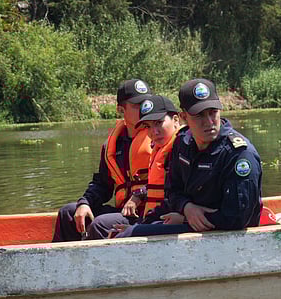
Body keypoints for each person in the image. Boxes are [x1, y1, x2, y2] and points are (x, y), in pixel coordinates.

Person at [116, 78, 263, 237]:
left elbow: (238, 218)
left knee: (129, 235)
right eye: (199, 115)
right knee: (124, 230)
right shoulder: (183, 143)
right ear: (184, 117)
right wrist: (186, 207)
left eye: (213, 112)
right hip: (193, 224)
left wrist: (185, 218)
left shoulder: (239, 154)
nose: (209, 122)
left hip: (224, 234)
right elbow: (172, 191)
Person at [52, 79, 153, 242]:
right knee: (68, 213)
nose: (144, 109)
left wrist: (140, 194)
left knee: (101, 224)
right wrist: (85, 202)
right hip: (124, 213)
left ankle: (92, 258)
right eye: (137, 105)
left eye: (146, 103)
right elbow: (102, 185)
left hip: (149, 213)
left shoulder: (158, 137)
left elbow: (168, 180)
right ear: (121, 109)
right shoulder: (113, 144)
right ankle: (63, 258)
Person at [83, 95, 182, 240]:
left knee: (105, 227)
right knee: (73, 213)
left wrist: (140, 223)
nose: (154, 132)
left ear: (176, 120)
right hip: (155, 216)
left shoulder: (182, 148)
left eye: (159, 123)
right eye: (148, 126)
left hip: (174, 217)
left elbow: (177, 194)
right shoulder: (159, 149)